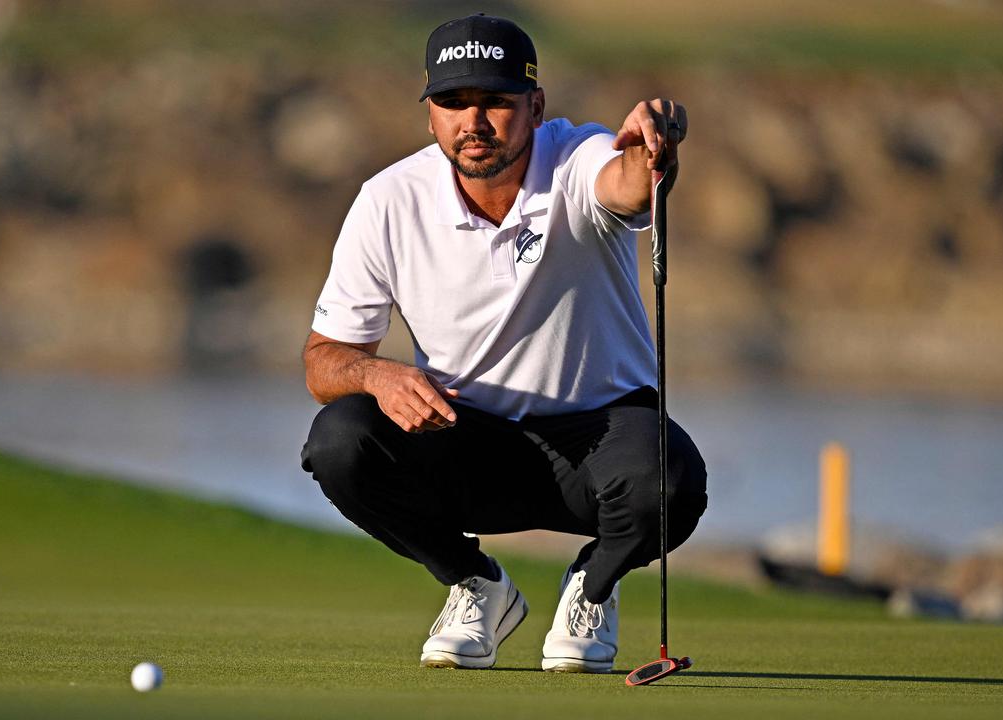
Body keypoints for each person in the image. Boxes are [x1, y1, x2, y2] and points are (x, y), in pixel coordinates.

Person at [299, 13, 707, 673]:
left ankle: (592, 588)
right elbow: (324, 361)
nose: (474, 120)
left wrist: (652, 151)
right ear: (429, 112)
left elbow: (627, 185)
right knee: (339, 440)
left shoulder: (576, 156)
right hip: (467, 441)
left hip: (598, 443)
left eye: (495, 100)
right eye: (453, 102)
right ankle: (476, 584)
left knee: (673, 479)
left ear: (536, 106)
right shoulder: (387, 201)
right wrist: (378, 377)